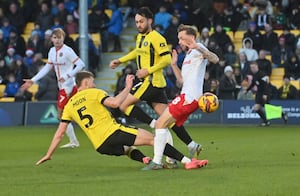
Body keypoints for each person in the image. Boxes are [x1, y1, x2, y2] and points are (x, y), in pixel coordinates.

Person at [36, 71, 207, 170]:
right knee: (154, 139)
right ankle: (187, 162)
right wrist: (127, 87)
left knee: (127, 148)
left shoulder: (69, 106)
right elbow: (116, 103)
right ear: (86, 82)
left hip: (100, 146)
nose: (94, 84)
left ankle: (144, 160)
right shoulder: (94, 92)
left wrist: (49, 154)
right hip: (112, 132)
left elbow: (59, 133)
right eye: (93, 82)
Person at [109, 7, 204, 168]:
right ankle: (187, 147)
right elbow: (137, 53)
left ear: (150, 21)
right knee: (168, 120)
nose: (138, 24)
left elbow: (167, 59)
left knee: (123, 104)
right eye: (137, 22)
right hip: (152, 84)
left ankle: (153, 125)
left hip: (151, 82)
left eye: (141, 21)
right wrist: (121, 60)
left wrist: (148, 70)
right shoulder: (141, 37)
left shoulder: (156, 37)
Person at [142, 24, 218, 170]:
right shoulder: (189, 55)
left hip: (190, 98)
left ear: (192, 37)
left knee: (160, 124)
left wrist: (199, 48)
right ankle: (186, 150)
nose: (179, 42)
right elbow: (181, 81)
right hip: (187, 97)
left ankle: (158, 162)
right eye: (179, 39)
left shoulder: (198, 48)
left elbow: (215, 59)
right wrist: (174, 65)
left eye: (182, 38)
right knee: (165, 125)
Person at [21, 28, 85, 148]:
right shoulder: (51, 51)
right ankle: (74, 141)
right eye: (55, 38)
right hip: (62, 86)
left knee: (61, 115)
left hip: (68, 86)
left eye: (59, 38)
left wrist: (68, 75)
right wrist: (33, 80)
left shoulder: (67, 51)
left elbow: (81, 64)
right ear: (51, 39)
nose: (57, 40)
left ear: (63, 38)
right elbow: (47, 68)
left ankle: (74, 141)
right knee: (70, 113)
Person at [246, 61, 287, 126]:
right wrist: (247, 90)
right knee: (261, 107)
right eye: (251, 68)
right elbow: (253, 83)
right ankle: (280, 114)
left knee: (261, 107)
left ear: (257, 67)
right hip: (259, 93)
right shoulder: (254, 74)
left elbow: (266, 85)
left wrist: (265, 94)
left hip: (264, 92)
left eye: (253, 67)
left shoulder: (262, 74)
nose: (252, 69)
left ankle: (268, 120)